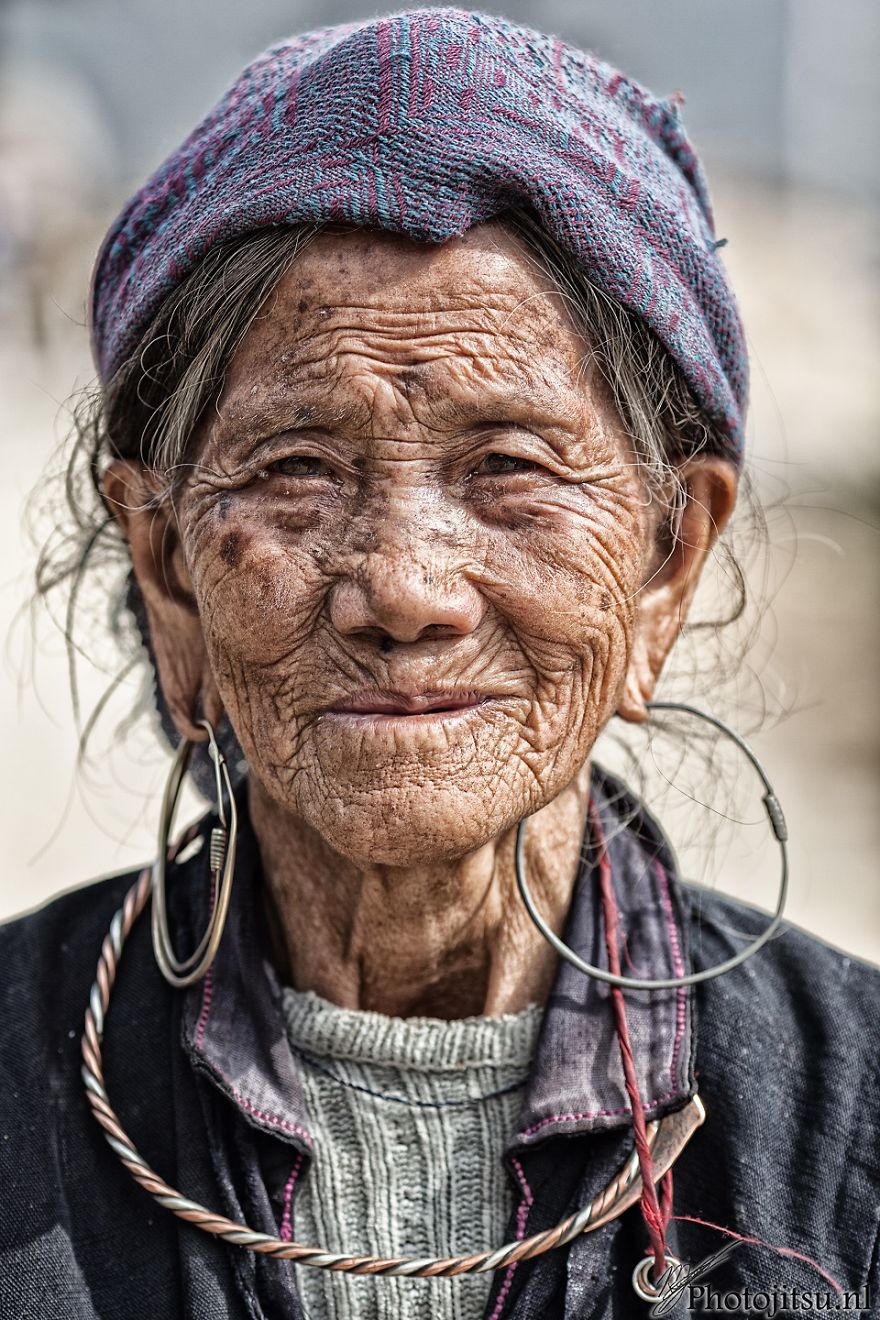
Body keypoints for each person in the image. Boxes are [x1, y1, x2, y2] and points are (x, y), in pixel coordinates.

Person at [1, 10, 878, 1319]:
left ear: (665, 564)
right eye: (298, 468)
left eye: (510, 467)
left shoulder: (856, 1131)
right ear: (168, 570)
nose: (406, 591)